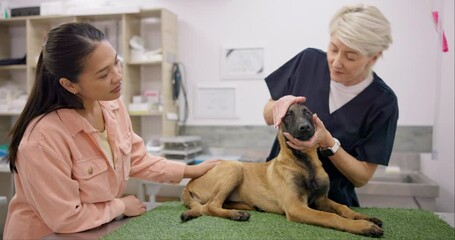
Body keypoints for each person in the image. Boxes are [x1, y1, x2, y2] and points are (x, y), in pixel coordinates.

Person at [2, 22, 219, 239]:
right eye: (103, 74)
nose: (118, 76)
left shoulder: (111, 106)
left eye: (117, 62)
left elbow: (135, 159)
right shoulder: (42, 139)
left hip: (94, 230)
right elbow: (65, 218)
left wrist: (190, 170)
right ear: (70, 85)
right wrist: (120, 206)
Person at [263, 4, 398, 207]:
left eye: (350, 56)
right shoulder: (307, 62)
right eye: (333, 49)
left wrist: (328, 143)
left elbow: (361, 177)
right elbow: (267, 115)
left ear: (374, 57)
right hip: (277, 195)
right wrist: (279, 107)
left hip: (333, 204)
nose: (336, 62)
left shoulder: (382, 103)